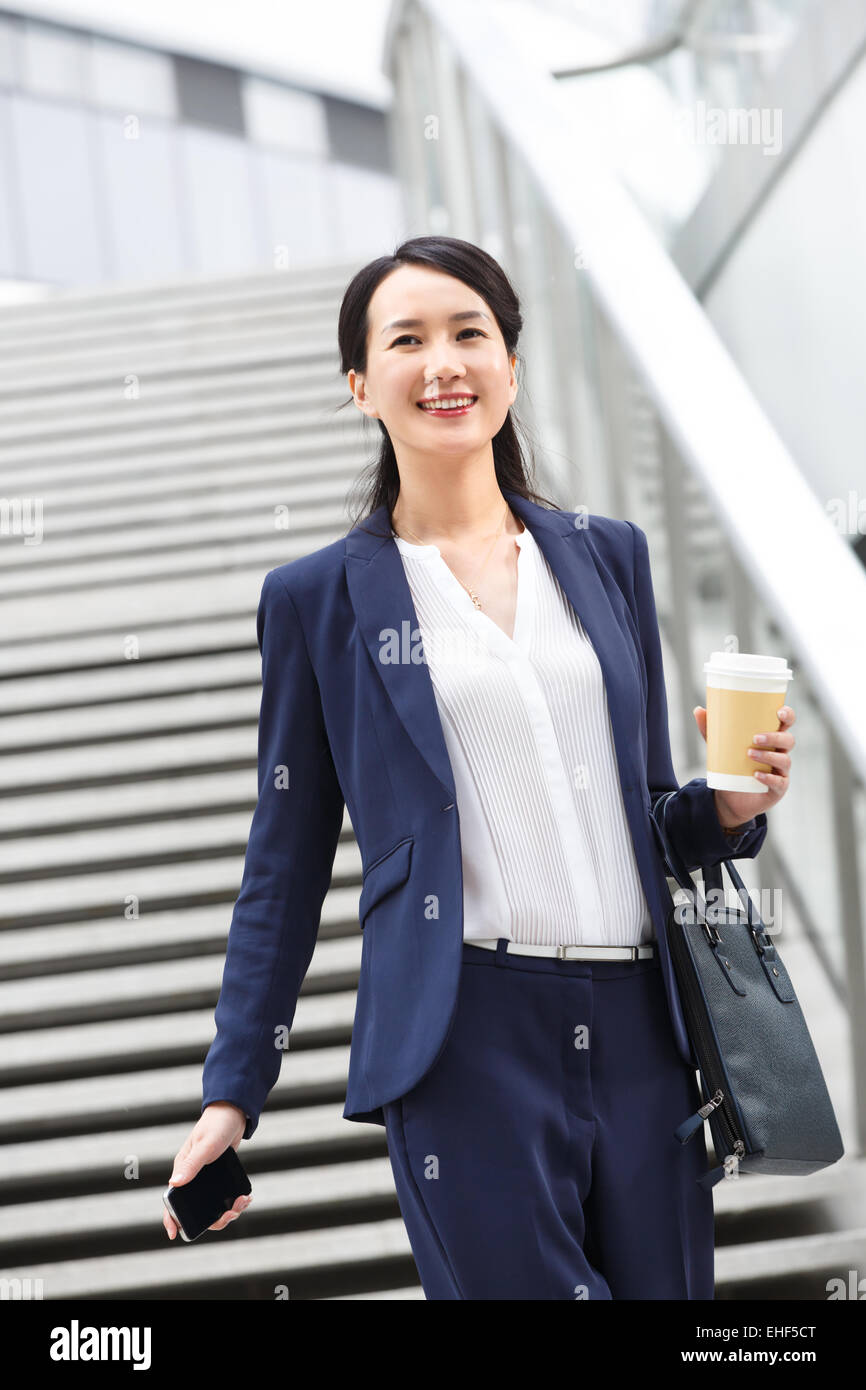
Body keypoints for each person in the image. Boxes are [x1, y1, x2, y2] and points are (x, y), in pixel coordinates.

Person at [163, 236, 796, 1297]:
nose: (443, 362)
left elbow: (645, 811)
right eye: (405, 340)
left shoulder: (607, 555)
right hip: (466, 1036)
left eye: (469, 333)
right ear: (361, 384)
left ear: (509, 364)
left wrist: (725, 806)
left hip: (645, 1026)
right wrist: (233, 1092)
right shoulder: (318, 599)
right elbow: (283, 861)